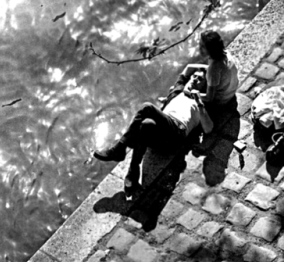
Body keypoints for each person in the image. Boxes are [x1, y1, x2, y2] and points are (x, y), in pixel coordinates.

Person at [93, 30, 238, 190]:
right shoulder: (179, 90)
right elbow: (188, 69)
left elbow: (209, 129)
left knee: (147, 107)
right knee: (146, 125)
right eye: (194, 77)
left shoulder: (199, 101)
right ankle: (133, 171)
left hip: (177, 131)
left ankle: (120, 148)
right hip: (163, 134)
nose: (195, 78)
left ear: (205, 85)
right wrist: (192, 80)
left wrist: (198, 98)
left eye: (200, 79)